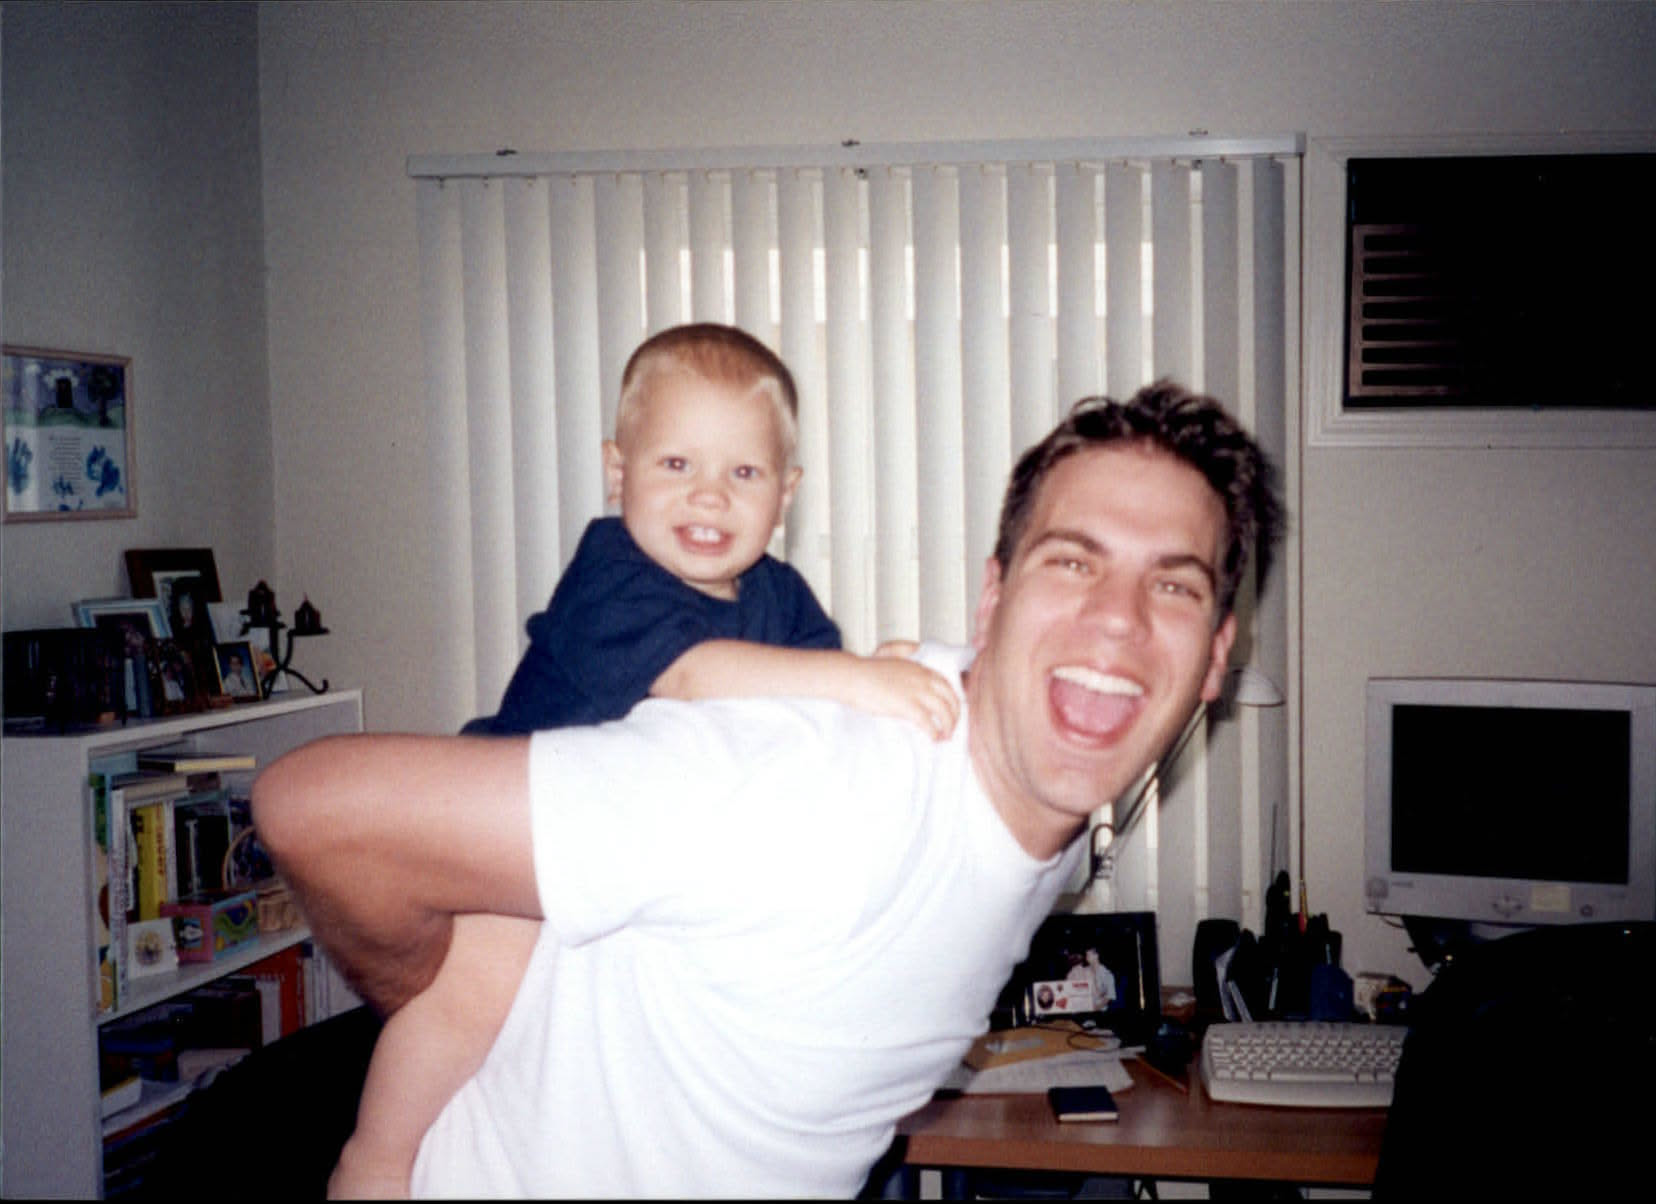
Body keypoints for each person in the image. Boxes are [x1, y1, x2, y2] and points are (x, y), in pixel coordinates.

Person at [252, 379, 1282, 1197]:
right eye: (1073, 563)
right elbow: (314, 809)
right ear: (993, 596)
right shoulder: (795, 785)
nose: (1118, 621)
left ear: (1214, 657)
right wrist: (449, 998)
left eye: (1173, 584)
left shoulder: (1036, 794)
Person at [335, 322, 961, 1196]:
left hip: (634, 853)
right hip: (520, 825)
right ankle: (375, 1157)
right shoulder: (610, 568)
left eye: (744, 474)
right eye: (676, 464)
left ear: (785, 494)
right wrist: (857, 679)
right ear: (617, 470)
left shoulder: (779, 594)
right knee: (474, 997)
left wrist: (874, 675)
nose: (709, 496)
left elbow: (815, 718)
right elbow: (695, 676)